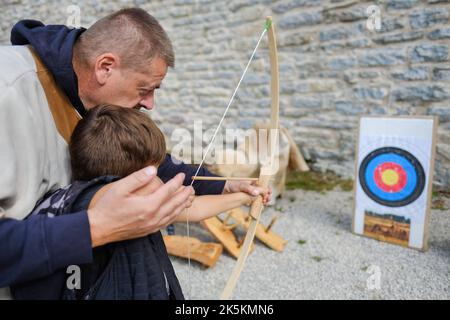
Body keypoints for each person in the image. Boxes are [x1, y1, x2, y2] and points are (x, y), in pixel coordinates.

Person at [0, 8, 269, 299]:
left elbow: (146, 160)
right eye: (144, 88)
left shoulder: (93, 102)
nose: (151, 104)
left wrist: (222, 185)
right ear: (105, 67)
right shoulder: (8, 88)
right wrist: (98, 226)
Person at [12, 105, 266, 300]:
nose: (160, 179)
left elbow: (194, 209)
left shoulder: (68, 199)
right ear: (136, 178)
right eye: (155, 171)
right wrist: (244, 196)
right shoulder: (115, 205)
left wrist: (244, 195)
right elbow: (194, 209)